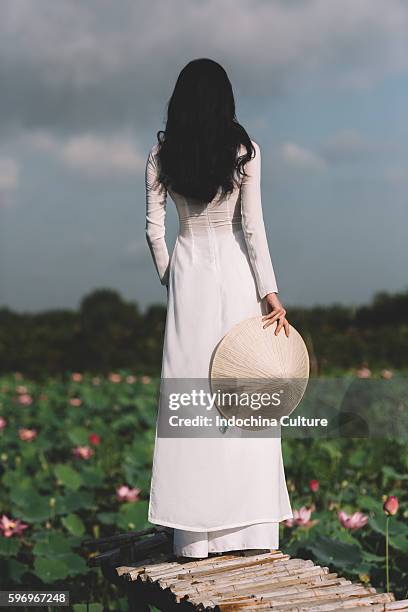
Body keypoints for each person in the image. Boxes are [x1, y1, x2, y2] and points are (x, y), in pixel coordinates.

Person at [145, 58, 293, 559]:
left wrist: (172, 277)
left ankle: (194, 537)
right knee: (246, 395)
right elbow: (253, 230)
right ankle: (252, 534)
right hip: (236, 278)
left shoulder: (162, 153)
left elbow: (152, 229)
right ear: (225, 100)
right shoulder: (245, 151)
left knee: (190, 401)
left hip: (188, 276)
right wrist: (270, 291)